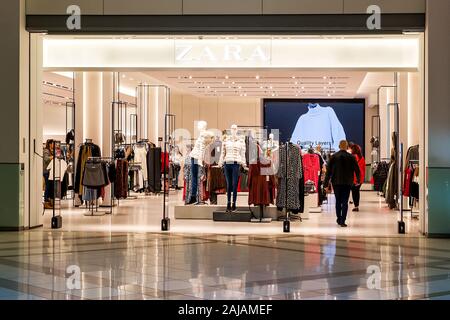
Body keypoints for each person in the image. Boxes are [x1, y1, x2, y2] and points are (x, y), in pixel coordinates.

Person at [324, 140, 361, 227]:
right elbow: (357, 170)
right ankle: (343, 220)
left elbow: (328, 172)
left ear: (339, 146)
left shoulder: (333, 157)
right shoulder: (351, 157)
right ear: (347, 146)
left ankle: (338, 218)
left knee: (338, 201)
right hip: (347, 182)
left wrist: (326, 184)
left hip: (336, 182)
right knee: (345, 201)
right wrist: (358, 180)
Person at [350, 144, 366, 212]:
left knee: (354, 192)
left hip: (354, 177)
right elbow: (363, 168)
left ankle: (356, 206)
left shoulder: (352, 157)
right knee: (356, 191)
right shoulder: (362, 158)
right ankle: (356, 205)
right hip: (360, 177)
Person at [43, 139, 54, 209]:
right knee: (47, 186)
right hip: (46, 171)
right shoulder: (46, 151)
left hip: (48, 171)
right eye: (52, 143)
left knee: (49, 186)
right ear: (49, 144)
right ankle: (46, 201)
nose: (53, 145)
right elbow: (46, 159)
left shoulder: (50, 150)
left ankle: (48, 200)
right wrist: (53, 156)